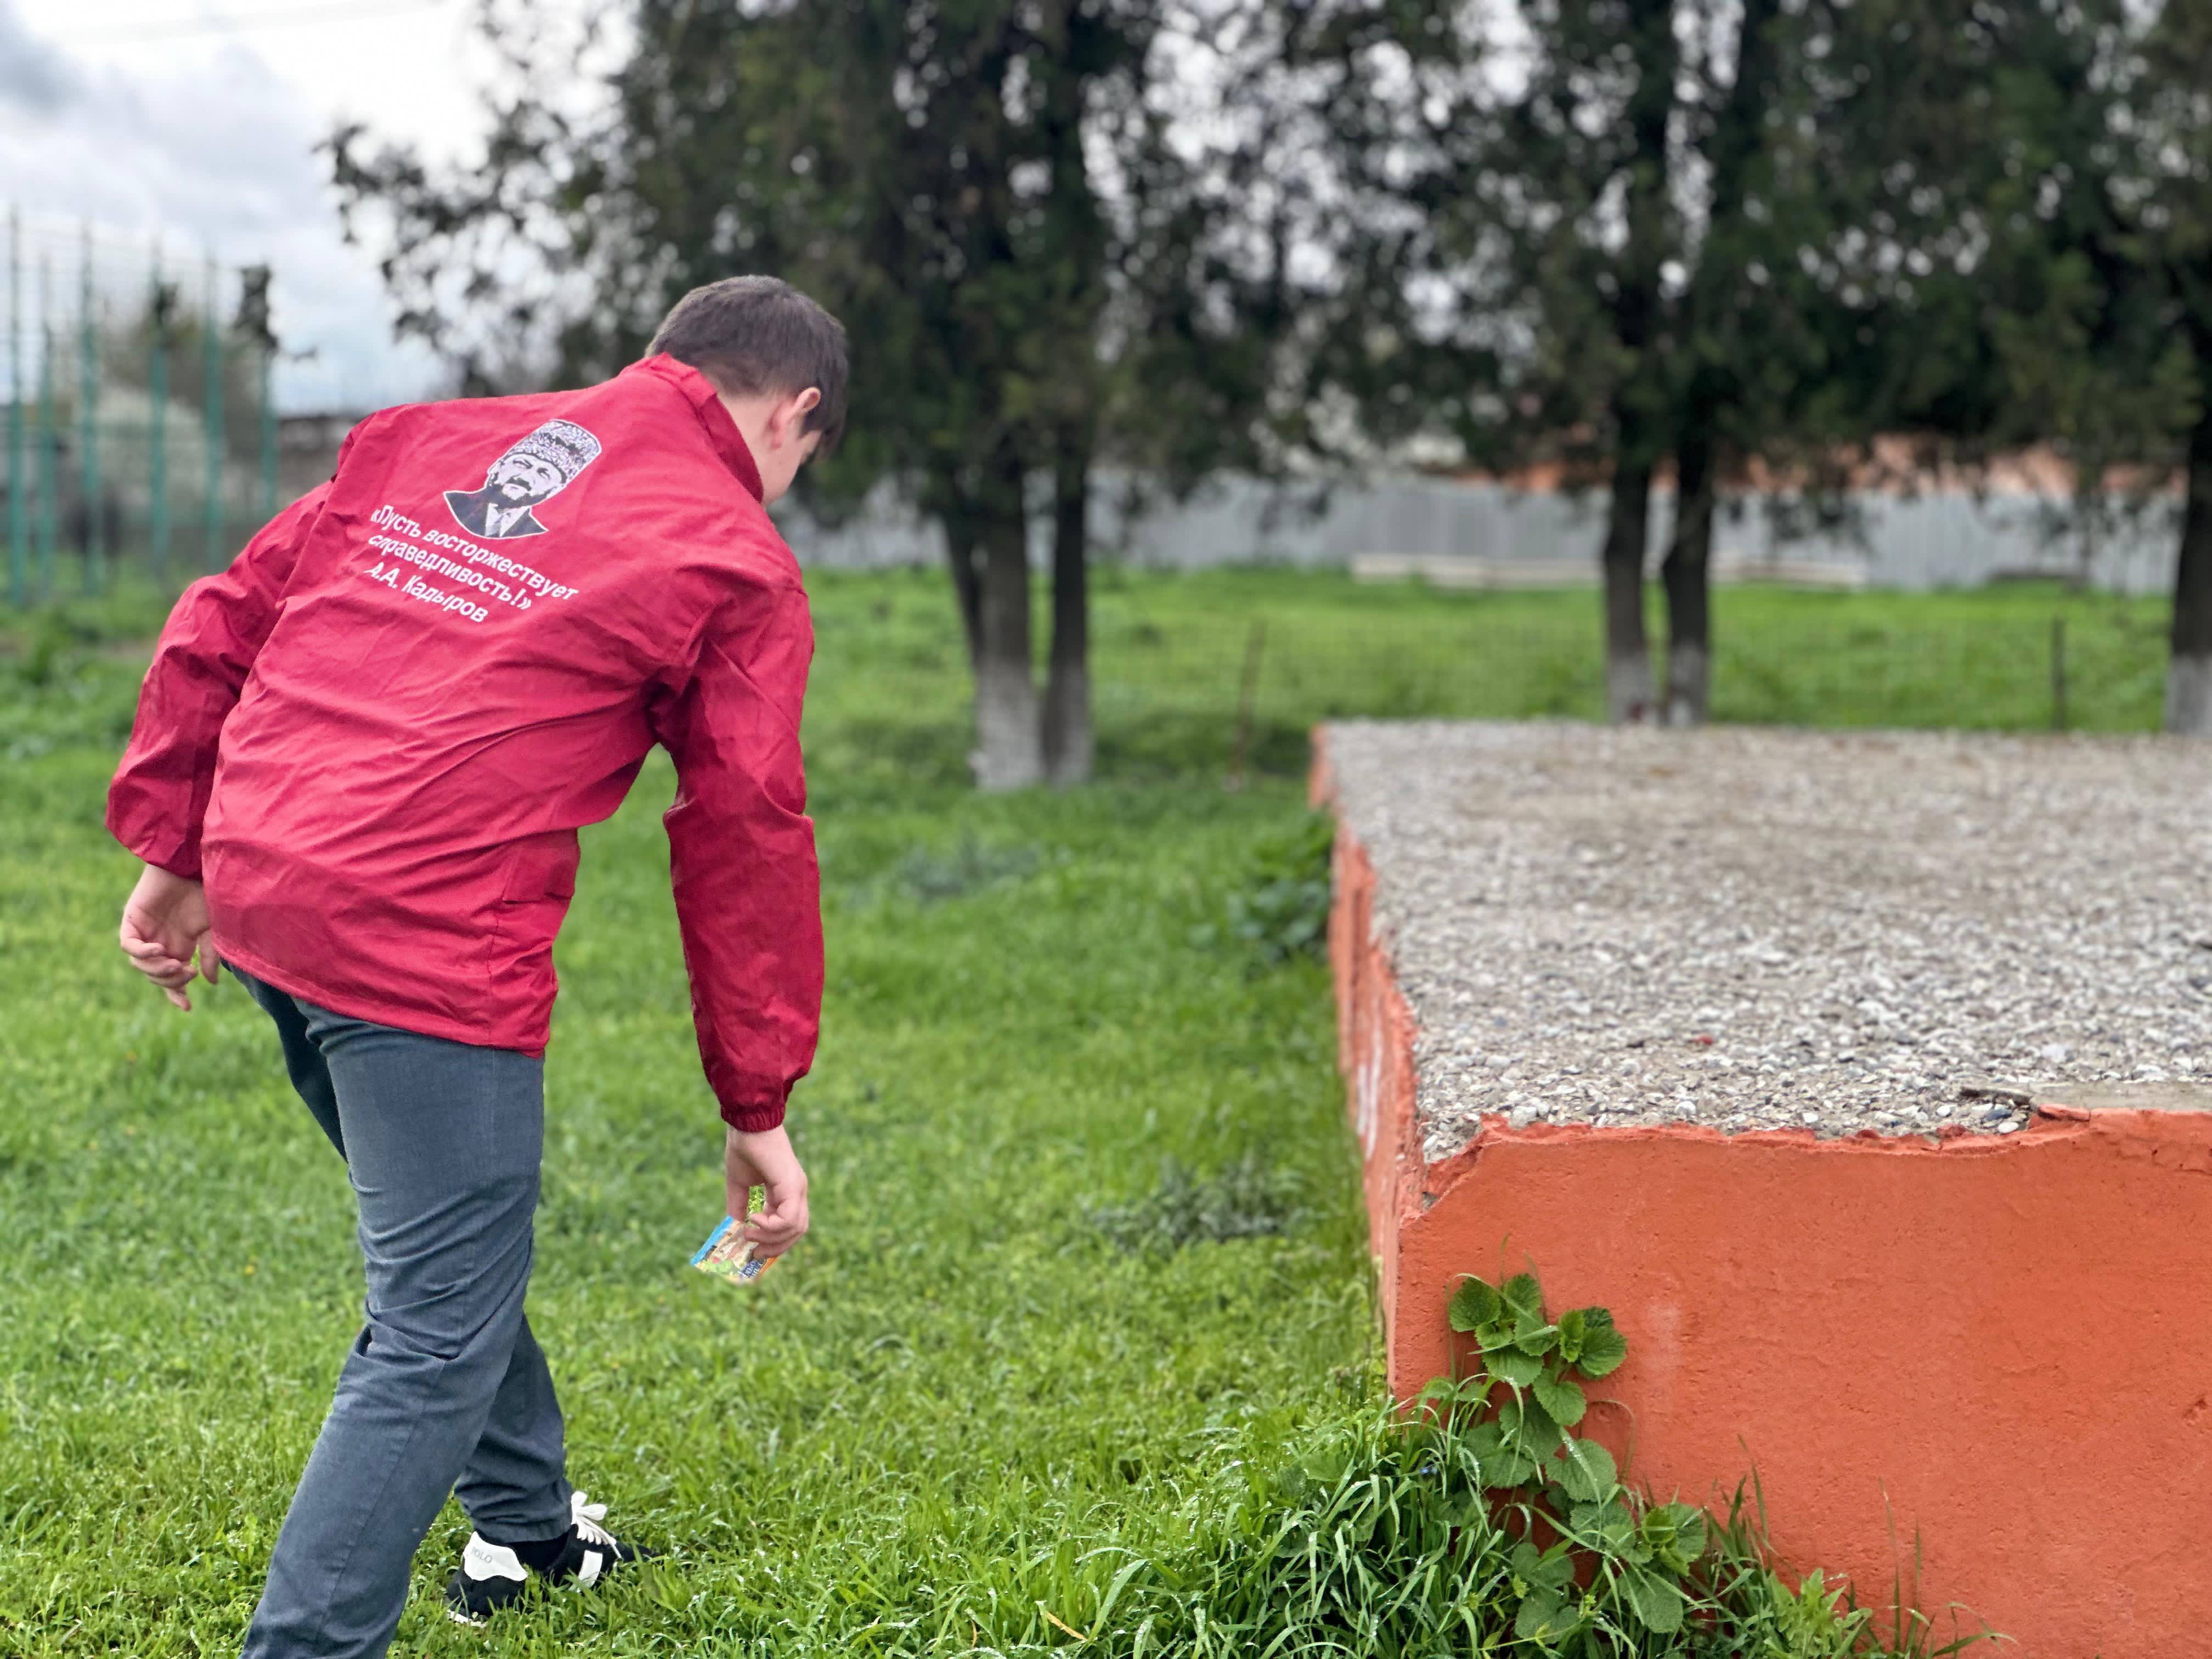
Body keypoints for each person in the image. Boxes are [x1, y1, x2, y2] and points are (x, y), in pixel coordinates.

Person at [105, 275, 845, 1658]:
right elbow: (745, 830)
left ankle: (526, 1528)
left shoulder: (432, 438)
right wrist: (757, 1102)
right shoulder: (735, 555)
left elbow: (227, 616)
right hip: (420, 944)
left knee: (451, 1264)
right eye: (801, 457)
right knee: (436, 1331)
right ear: (793, 412)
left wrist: (180, 850)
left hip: (270, 891)